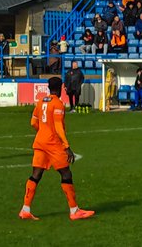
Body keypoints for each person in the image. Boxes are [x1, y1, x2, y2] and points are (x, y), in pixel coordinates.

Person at [18, 77, 94, 221]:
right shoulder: (58, 104)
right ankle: (74, 211)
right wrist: (67, 147)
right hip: (53, 144)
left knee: (36, 174)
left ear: (48, 88)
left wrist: (43, 131)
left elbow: (33, 122)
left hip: (40, 142)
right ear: (60, 88)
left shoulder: (41, 101)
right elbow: (59, 127)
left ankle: (25, 209)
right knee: (66, 174)